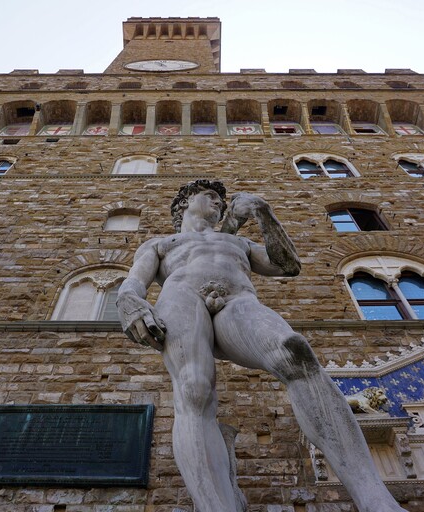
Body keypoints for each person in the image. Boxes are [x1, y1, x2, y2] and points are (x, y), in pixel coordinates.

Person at [117, 180, 407, 512]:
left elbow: (287, 265)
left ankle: (375, 499)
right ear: (184, 202)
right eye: (210, 197)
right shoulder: (162, 243)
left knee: (295, 354)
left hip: (238, 300)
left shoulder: (238, 241)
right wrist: (129, 302)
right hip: (182, 298)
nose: (219, 203)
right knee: (193, 389)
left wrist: (263, 212)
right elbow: (134, 281)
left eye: (222, 201)